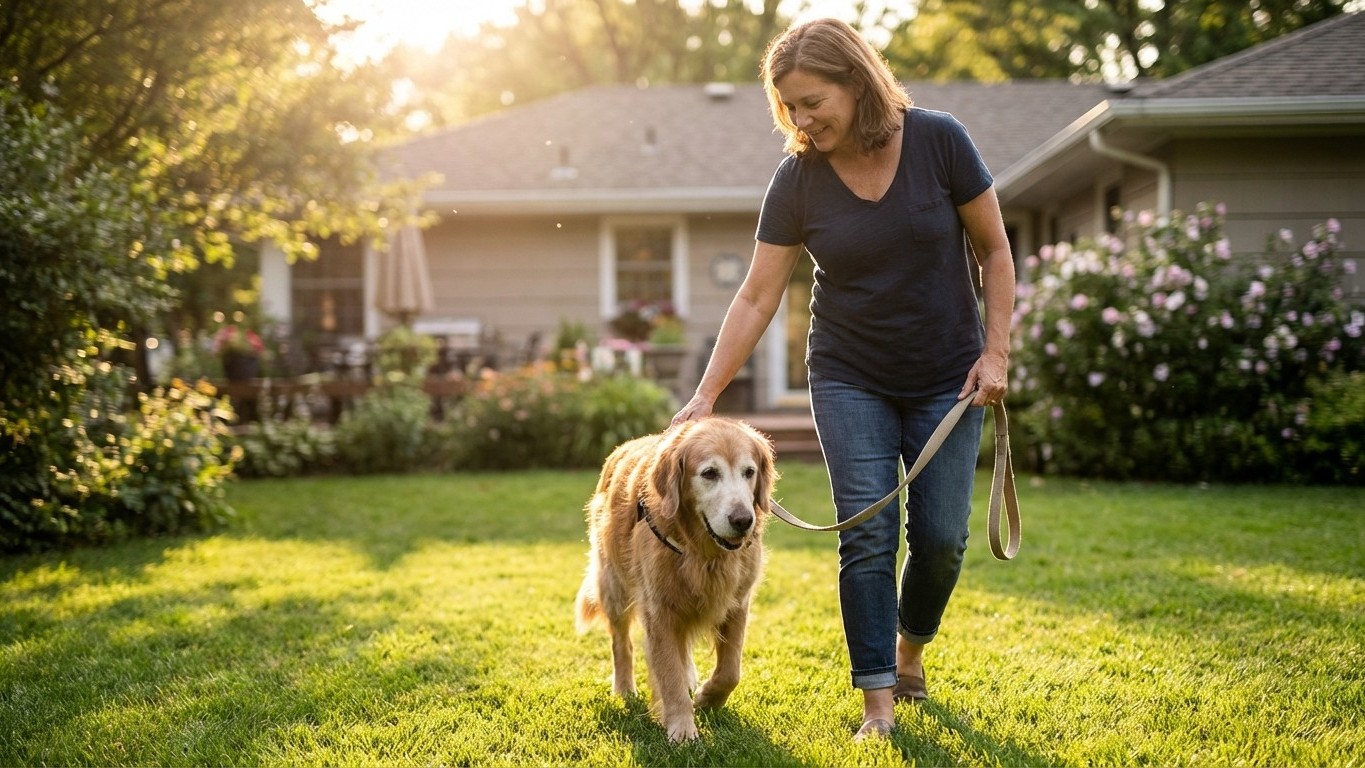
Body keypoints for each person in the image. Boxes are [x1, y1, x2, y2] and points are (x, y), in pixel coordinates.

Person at [671, 18, 1014, 741]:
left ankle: (908, 651)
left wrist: (996, 353)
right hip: (848, 375)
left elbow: (993, 250)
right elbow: (758, 294)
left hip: (947, 378)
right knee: (866, 535)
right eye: (787, 106)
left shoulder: (939, 141)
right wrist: (705, 394)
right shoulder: (798, 178)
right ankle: (877, 705)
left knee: (943, 539)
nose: (801, 119)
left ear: (856, 83)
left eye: (812, 100)